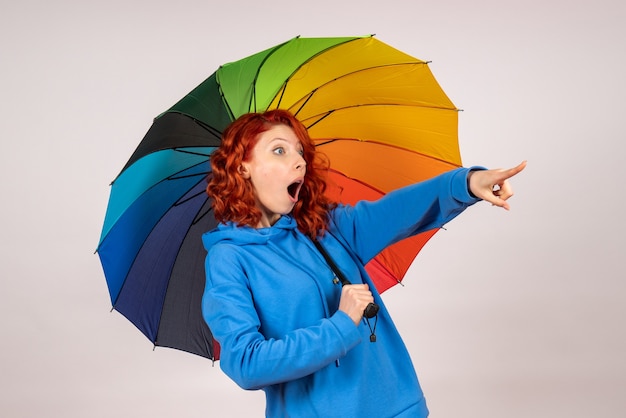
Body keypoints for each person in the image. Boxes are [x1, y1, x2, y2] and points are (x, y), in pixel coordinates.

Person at [201, 109, 526, 417]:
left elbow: (397, 211)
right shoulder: (229, 257)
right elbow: (247, 363)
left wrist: (465, 184)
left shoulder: (323, 227)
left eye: (299, 152)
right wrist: (342, 324)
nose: (299, 162)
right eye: (279, 151)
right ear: (242, 167)